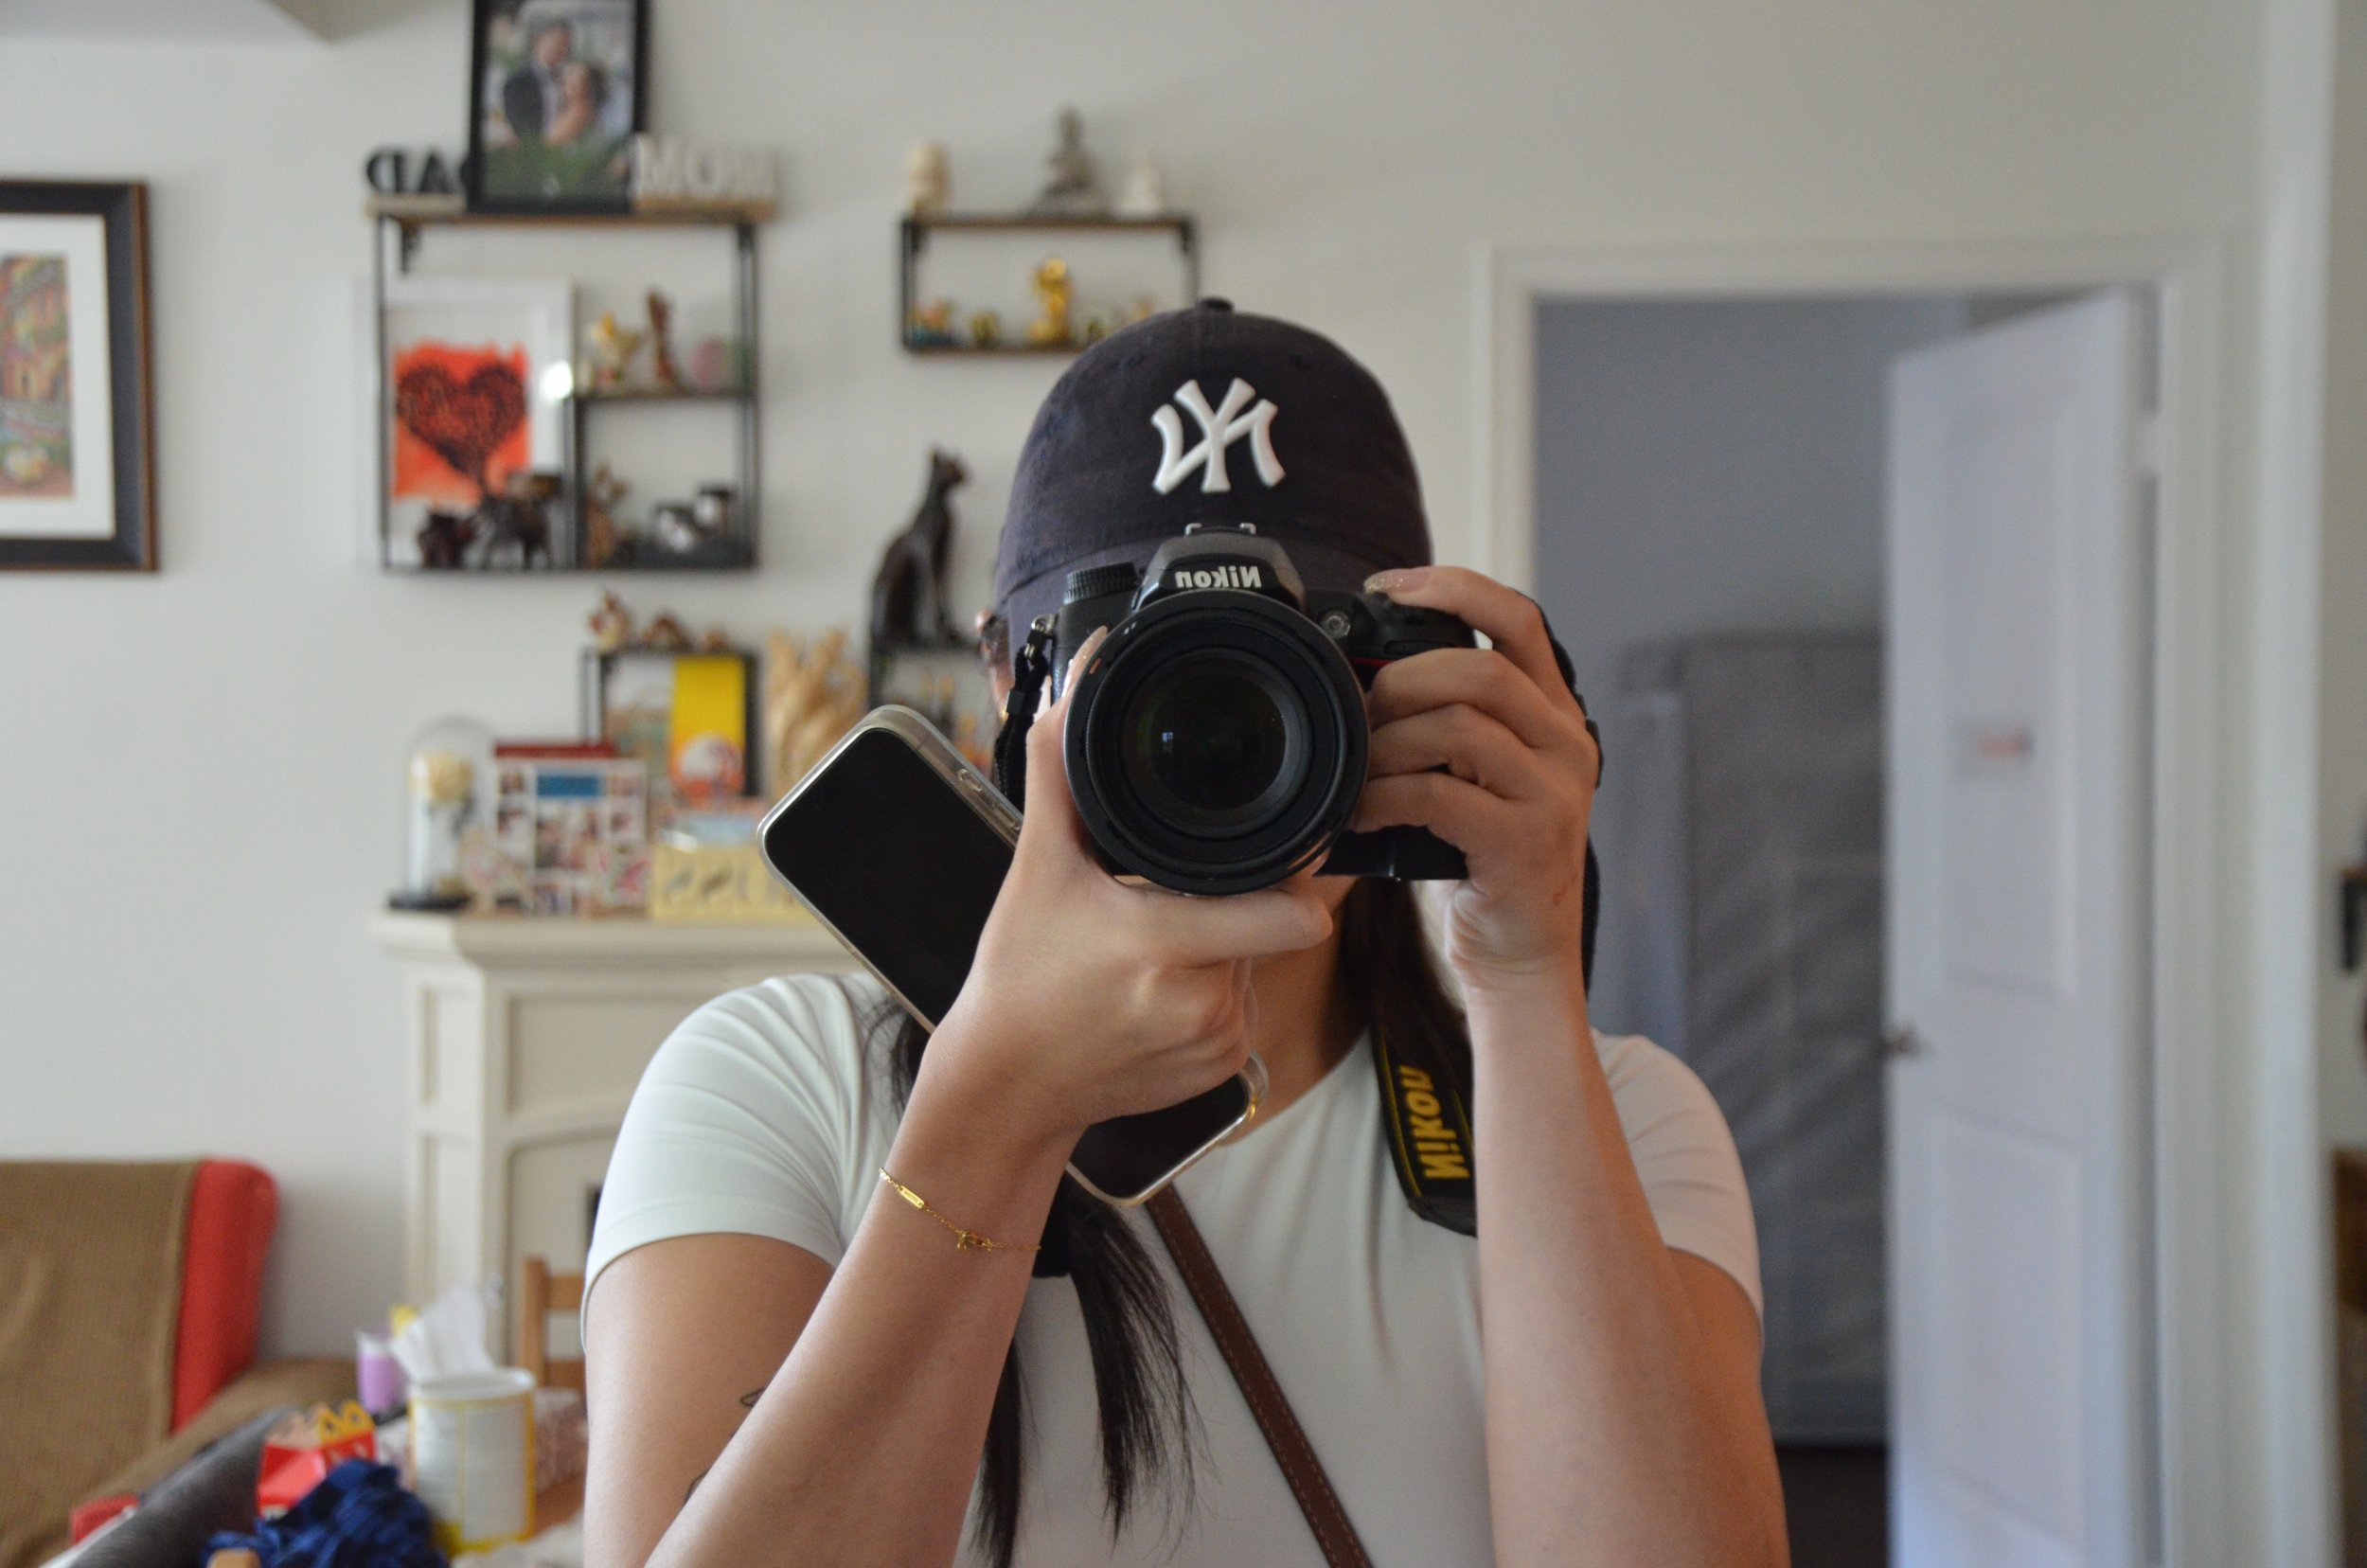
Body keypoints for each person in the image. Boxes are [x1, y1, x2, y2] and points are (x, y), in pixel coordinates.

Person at [581, 301, 1788, 1567]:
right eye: (1140, 659)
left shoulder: (1624, 1124)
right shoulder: (783, 1087)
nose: (1221, 739)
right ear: (1008, 686)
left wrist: (1527, 978)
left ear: (1415, 679)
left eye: (1293, 662)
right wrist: (999, 1113)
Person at [499, 18, 573, 145]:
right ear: (539, 39)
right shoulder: (518, 81)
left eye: (566, 44)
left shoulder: (569, 80)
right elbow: (518, 126)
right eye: (557, 41)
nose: (560, 48)